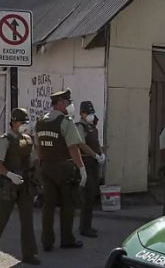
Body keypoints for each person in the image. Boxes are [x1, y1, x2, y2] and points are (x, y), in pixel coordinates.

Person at [0, 108, 40, 265]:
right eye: (23, 123)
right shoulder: (5, 140)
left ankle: (29, 254)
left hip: (25, 184)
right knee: (2, 216)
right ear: (14, 123)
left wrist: (36, 181)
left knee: (27, 219)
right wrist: (9, 175)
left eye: (26, 123)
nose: (25, 126)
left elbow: (34, 161)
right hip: (8, 185)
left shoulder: (28, 140)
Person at [35, 88, 86, 252]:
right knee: (67, 205)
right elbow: (73, 148)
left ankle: (47, 241)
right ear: (62, 103)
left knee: (48, 206)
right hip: (64, 169)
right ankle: (67, 239)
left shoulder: (41, 121)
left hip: (46, 167)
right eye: (68, 103)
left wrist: (41, 164)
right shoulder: (66, 122)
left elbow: (38, 146)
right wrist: (82, 168)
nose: (70, 106)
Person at [74, 101, 105, 238]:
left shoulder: (92, 126)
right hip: (86, 162)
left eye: (91, 113)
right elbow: (80, 144)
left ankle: (88, 225)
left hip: (94, 163)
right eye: (87, 113)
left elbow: (96, 143)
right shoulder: (80, 127)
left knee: (91, 195)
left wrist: (101, 153)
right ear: (81, 114)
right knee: (87, 196)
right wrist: (95, 155)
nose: (90, 115)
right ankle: (84, 227)